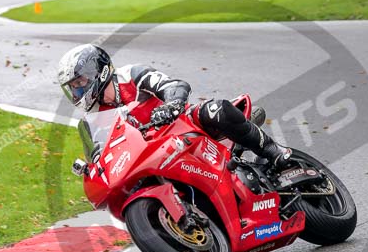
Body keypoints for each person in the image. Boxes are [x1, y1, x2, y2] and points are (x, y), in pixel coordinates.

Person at [57, 43, 292, 169]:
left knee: (215, 109)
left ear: (98, 71)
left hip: (183, 125)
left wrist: (172, 105)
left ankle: (274, 150)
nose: (77, 90)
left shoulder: (130, 75)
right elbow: (102, 151)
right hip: (153, 152)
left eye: (80, 82)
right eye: (73, 86)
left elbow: (174, 85)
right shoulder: (96, 115)